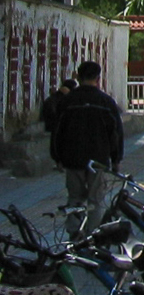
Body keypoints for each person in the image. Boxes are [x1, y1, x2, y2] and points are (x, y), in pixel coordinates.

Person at [49, 61, 124, 234]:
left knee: (74, 198)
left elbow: (57, 131)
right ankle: (93, 235)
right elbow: (116, 133)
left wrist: (57, 158)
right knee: (95, 200)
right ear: (98, 78)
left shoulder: (68, 101)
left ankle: (75, 234)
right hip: (98, 159)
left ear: (77, 76)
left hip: (72, 158)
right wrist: (116, 159)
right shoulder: (106, 102)